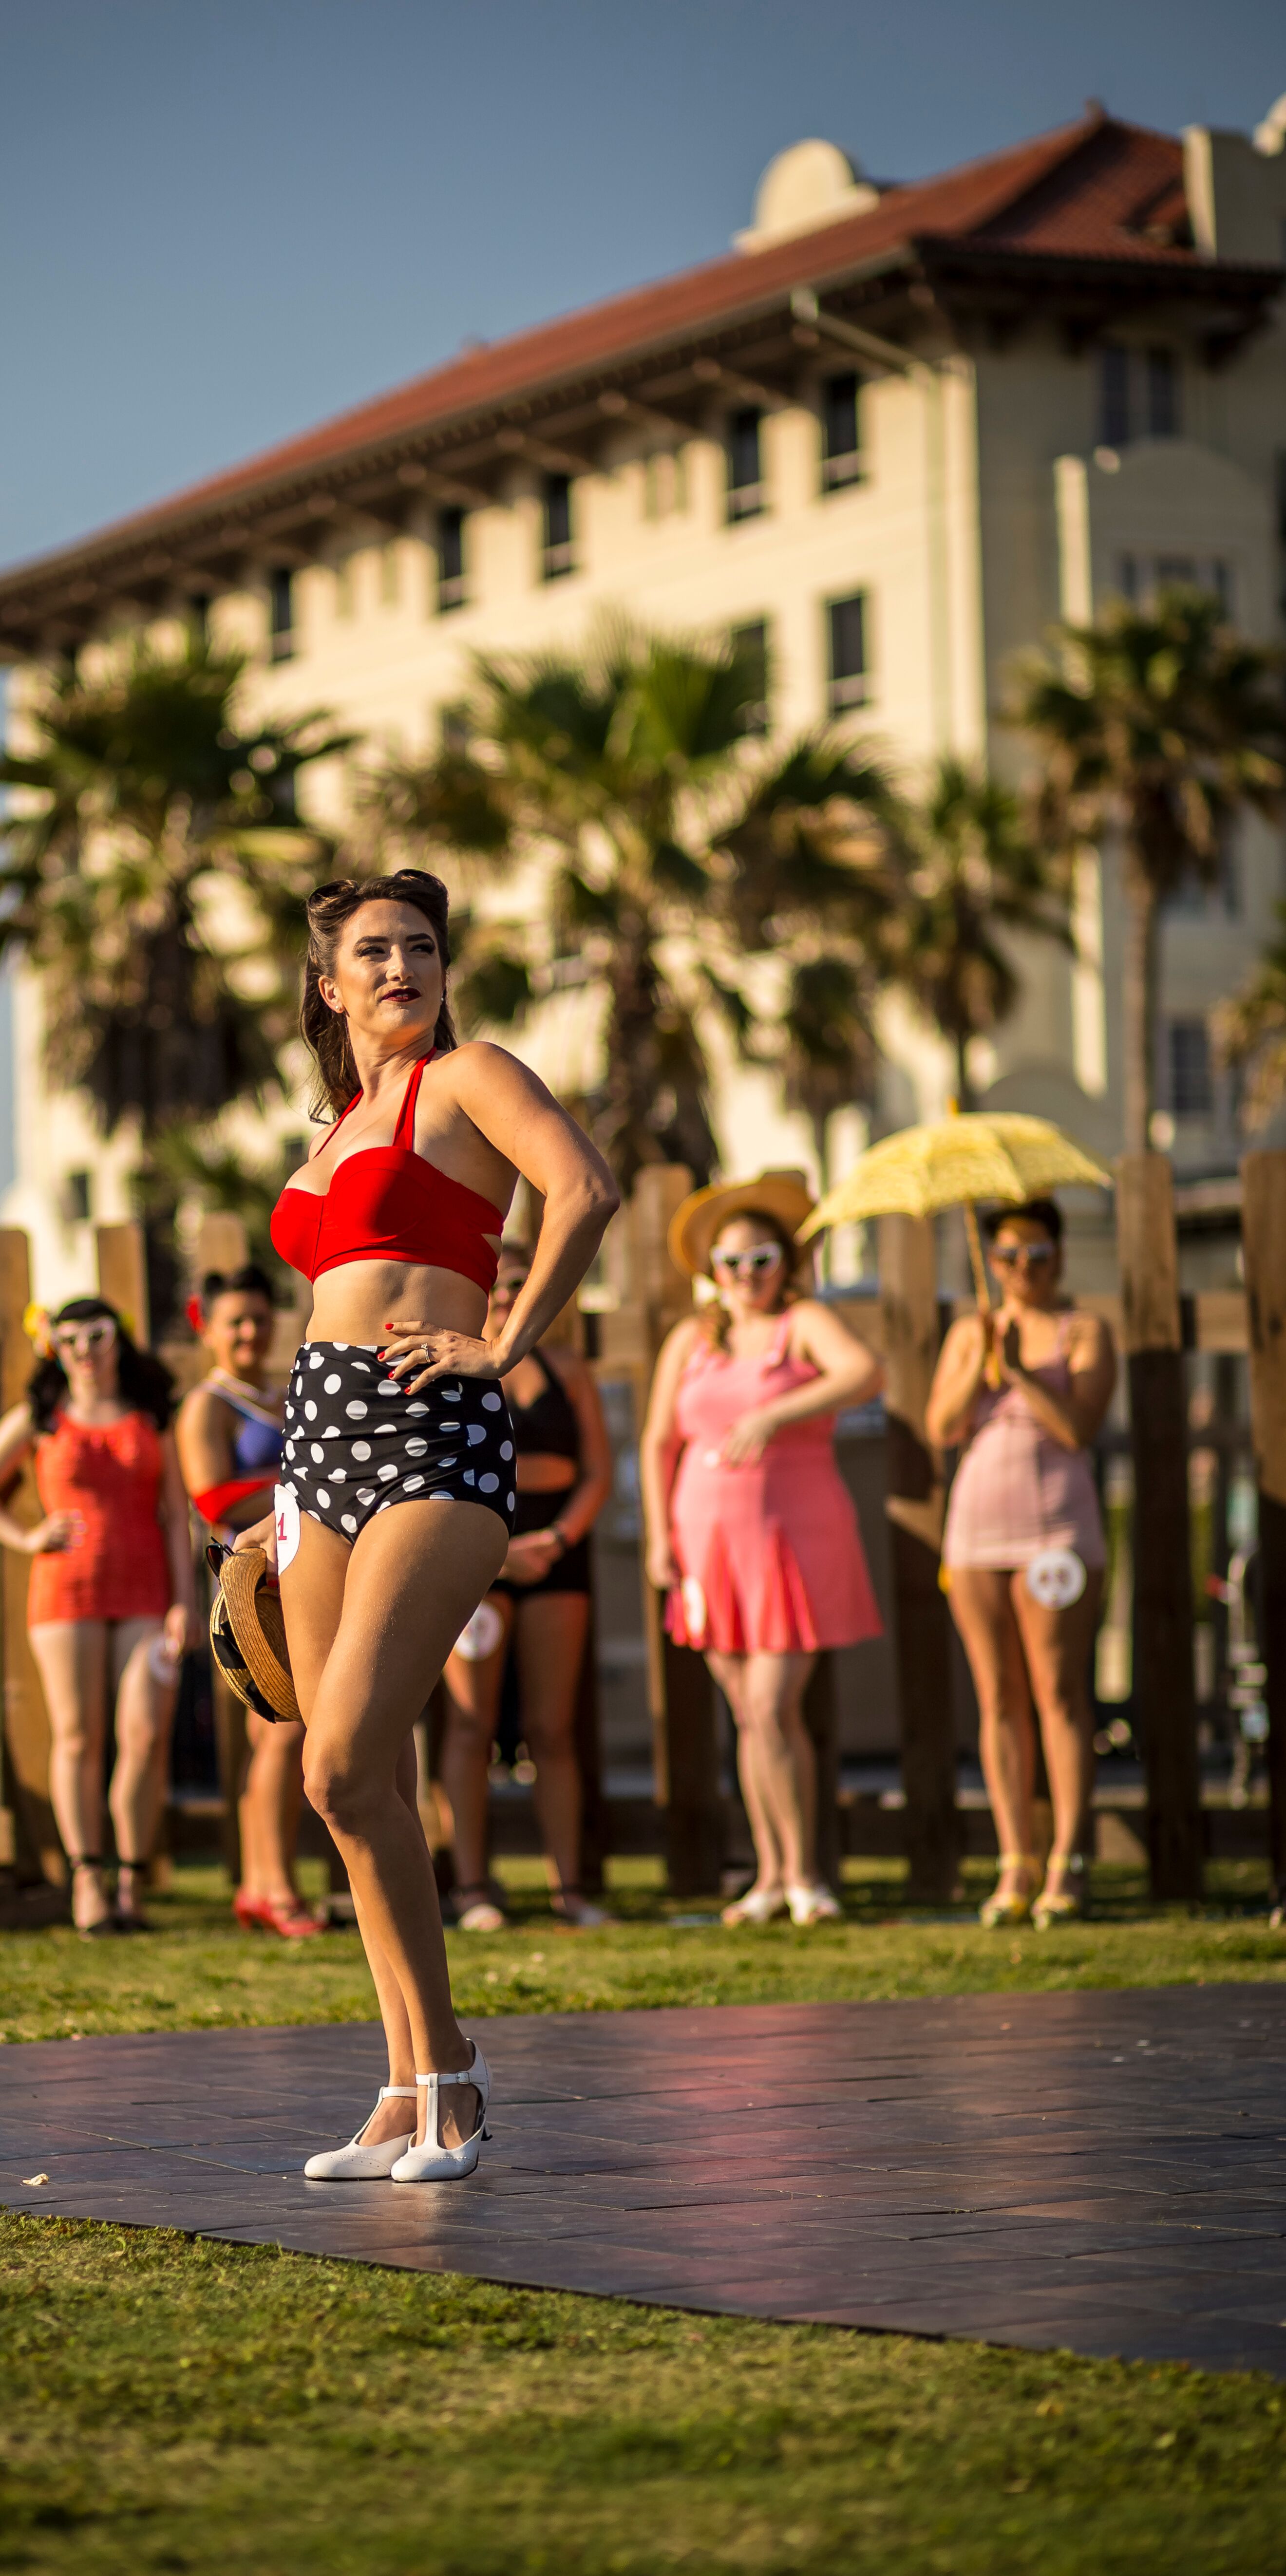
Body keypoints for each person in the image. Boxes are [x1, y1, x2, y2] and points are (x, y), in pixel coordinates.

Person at [251, 867, 617, 2182]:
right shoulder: (331, 1130)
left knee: (339, 1764)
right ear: (329, 982)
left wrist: (506, 1346)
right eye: (375, 951)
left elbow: (584, 1191)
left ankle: (453, 2070)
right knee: (365, 1795)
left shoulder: (465, 1081)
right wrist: (278, 1502)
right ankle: (404, 2092)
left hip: (429, 1434)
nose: (402, 967)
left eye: (420, 946)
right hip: (319, 1453)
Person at [642, 1174, 882, 1928]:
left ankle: (806, 1874)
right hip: (705, 1540)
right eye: (732, 1263)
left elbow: (865, 1372)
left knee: (775, 1705)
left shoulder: (803, 1322)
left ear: (787, 1263)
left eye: (762, 1260)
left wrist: (777, 1412)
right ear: (710, 1271)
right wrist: (659, 1538)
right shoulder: (692, 1338)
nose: (747, 1277)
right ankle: (773, 1876)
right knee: (748, 1713)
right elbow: (657, 1443)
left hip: (794, 1534)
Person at [0, 1297, 195, 1936]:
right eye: (68, 1341)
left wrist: (186, 1600)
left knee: (145, 1736)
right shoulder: (40, 1416)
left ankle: (130, 1880)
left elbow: (178, 1514)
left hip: (147, 1593)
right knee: (77, 1737)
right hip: (66, 1594)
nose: (84, 1351)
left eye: (95, 1336)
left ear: (117, 1340)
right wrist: (25, 1536)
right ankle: (87, 1879)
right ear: (54, 1351)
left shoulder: (154, 1414)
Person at [926, 1197, 1115, 1929]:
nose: (1021, 1270)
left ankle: (1069, 1858)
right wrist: (980, 1360)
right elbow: (944, 1427)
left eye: (1036, 1256)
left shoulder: (1084, 1331)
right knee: (998, 1696)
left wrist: (1024, 1375)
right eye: (1007, 1257)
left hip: (1055, 1530)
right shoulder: (971, 1333)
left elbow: (1079, 1428)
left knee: (1058, 1694)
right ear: (993, 1263)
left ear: (1059, 1258)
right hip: (977, 1531)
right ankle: (1016, 1860)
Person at [438, 1237, 615, 1930]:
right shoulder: (452, 1365)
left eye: (520, 1285)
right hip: (476, 1556)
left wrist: (558, 1539)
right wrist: (499, 1552)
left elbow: (598, 1471)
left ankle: (569, 1888)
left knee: (553, 1727)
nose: (507, 1299)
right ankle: (474, 1886)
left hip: (555, 1553)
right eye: (497, 1287)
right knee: (469, 1726)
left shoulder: (566, 1367)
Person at [177, 1264, 321, 1940]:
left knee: (290, 1732)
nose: (249, 1332)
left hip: (303, 1570)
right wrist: (303, 1483)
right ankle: (273, 1887)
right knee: (279, 1730)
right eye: (235, 1320)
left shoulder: (284, 1390)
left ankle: (261, 1882)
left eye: (260, 1319)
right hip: (251, 1581)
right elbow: (211, 1499)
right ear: (208, 1327)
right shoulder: (208, 1404)